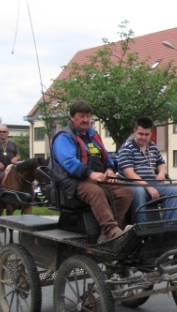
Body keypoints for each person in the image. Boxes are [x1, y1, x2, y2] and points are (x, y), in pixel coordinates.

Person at [50, 100, 134, 243]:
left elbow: (105, 156)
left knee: (126, 191)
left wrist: (109, 169)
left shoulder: (92, 135)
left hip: (98, 178)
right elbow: (69, 162)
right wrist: (91, 174)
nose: (86, 120)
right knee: (95, 192)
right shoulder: (64, 137)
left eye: (88, 116)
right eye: (81, 116)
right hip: (73, 180)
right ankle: (113, 232)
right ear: (71, 117)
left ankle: (108, 231)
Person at [117, 116, 177, 224]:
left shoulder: (152, 147)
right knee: (140, 191)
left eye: (147, 134)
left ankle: (169, 228)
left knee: (174, 191)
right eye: (140, 134)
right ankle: (141, 228)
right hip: (131, 183)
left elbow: (161, 163)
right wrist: (148, 187)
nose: (143, 137)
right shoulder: (126, 148)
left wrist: (161, 173)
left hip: (151, 182)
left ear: (151, 133)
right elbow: (129, 173)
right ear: (135, 131)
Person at [0, 125, 21, 194]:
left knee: (20, 178)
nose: (2, 133)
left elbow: (18, 155)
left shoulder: (13, 143)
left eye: (4, 132)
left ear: (8, 133)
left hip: (11, 167)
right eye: (0, 132)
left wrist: (15, 158)